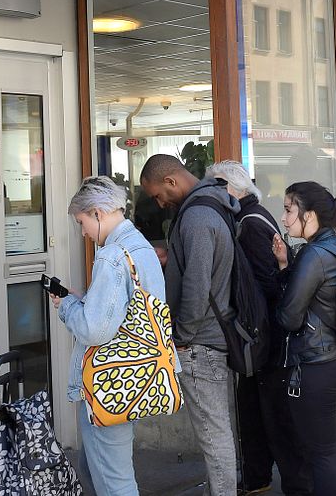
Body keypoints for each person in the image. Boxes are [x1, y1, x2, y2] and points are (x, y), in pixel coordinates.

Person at [51, 176, 165, 496]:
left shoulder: (111, 256)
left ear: (98, 213)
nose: (83, 232)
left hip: (108, 383)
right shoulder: (139, 246)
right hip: (135, 376)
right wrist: (85, 301)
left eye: (82, 222)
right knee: (95, 467)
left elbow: (94, 330)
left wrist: (68, 306)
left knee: (114, 481)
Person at [139, 154, 239, 496]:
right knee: (217, 431)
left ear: (171, 181)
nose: (159, 203)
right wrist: (172, 256)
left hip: (201, 342)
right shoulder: (213, 204)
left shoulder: (196, 217)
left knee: (214, 434)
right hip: (210, 335)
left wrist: (181, 336)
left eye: (157, 195)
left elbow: (197, 285)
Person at [203, 161, 306, 496]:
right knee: (257, 409)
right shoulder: (251, 216)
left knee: (266, 412)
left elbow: (267, 282)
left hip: (264, 334)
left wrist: (251, 329)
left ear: (230, 189)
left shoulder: (248, 223)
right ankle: (258, 477)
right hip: (266, 332)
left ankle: (274, 480)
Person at [271, 182, 336, 496]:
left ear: (309, 215)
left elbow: (289, 318)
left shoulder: (314, 255)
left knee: (322, 453)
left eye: (288, 210)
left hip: (316, 364)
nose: (284, 219)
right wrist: (285, 265)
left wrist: (281, 292)